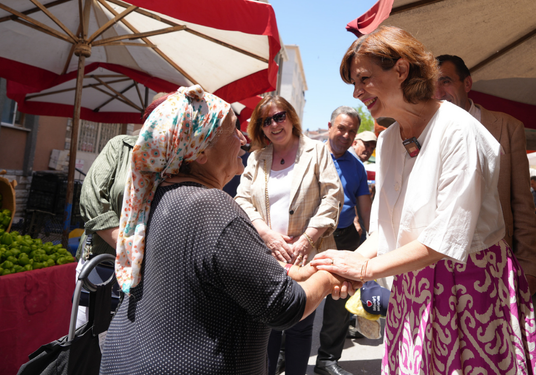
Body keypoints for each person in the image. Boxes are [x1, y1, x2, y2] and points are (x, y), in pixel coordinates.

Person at [312, 26, 536, 374]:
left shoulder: (458, 130)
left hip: (470, 285)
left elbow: (446, 239)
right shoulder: (390, 140)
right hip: (411, 282)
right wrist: (345, 263)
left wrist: (365, 269)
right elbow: (387, 228)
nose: (357, 92)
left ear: (401, 70)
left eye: (364, 78)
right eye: (353, 84)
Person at [100, 86, 355, 375]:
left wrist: (290, 271)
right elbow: (285, 305)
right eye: (234, 130)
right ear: (201, 150)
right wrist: (329, 273)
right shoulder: (212, 207)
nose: (244, 140)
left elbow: (209, 272)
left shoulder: (159, 195)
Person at [235, 95, 343, 375]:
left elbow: (333, 196)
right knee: (266, 325)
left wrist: (307, 238)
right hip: (267, 255)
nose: (274, 124)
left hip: (306, 255)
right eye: (266, 120)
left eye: (279, 116)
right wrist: (267, 235)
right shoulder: (257, 158)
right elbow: (242, 199)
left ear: (291, 117)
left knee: (300, 326)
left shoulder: (317, 151)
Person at [434, 54, 536, 294]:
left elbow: (522, 201)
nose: (438, 92)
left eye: (445, 81)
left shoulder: (507, 127)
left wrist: (530, 264)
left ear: (467, 84)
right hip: (438, 262)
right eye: (431, 85)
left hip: (496, 261)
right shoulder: (426, 133)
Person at [76, 92, 171, 327]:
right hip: (102, 263)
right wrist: (128, 246)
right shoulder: (120, 147)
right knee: (87, 340)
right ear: (148, 118)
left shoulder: (178, 162)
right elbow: (91, 198)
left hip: (151, 276)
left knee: (125, 347)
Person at [315, 106, 372, 375]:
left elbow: (364, 207)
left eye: (352, 131)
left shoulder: (358, 167)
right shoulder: (309, 157)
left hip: (346, 236)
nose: (346, 135)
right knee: (298, 295)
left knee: (338, 303)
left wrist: (370, 238)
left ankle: (327, 360)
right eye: (341, 128)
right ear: (329, 126)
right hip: (312, 237)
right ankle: (283, 354)